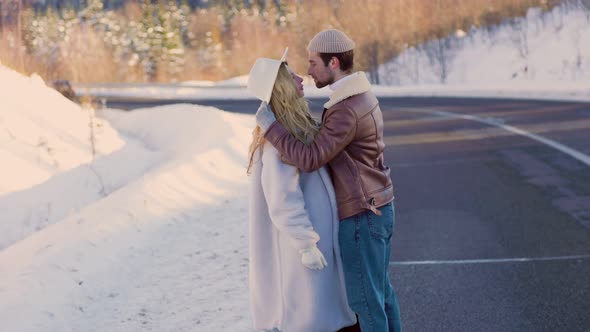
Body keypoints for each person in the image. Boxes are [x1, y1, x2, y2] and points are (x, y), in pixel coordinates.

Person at [255, 30, 402, 332]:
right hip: (375, 209)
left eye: (311, 63)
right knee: (381, 296)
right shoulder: (358, 97)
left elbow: (310, 157)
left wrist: (272, 128)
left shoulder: (345, 109)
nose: (307, 73)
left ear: (333, 62)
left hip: (364, 216)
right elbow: (283, 197)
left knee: (368, 305)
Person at [247, 48, 357, 332]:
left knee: (323, 311)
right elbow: (283, 199)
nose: (300, 77)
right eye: (290, 74)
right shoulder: (276, 141)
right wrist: (305, 243)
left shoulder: (292, 130)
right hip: (302, 246)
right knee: (308, 315)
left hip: (318, 239)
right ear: (280, 86)